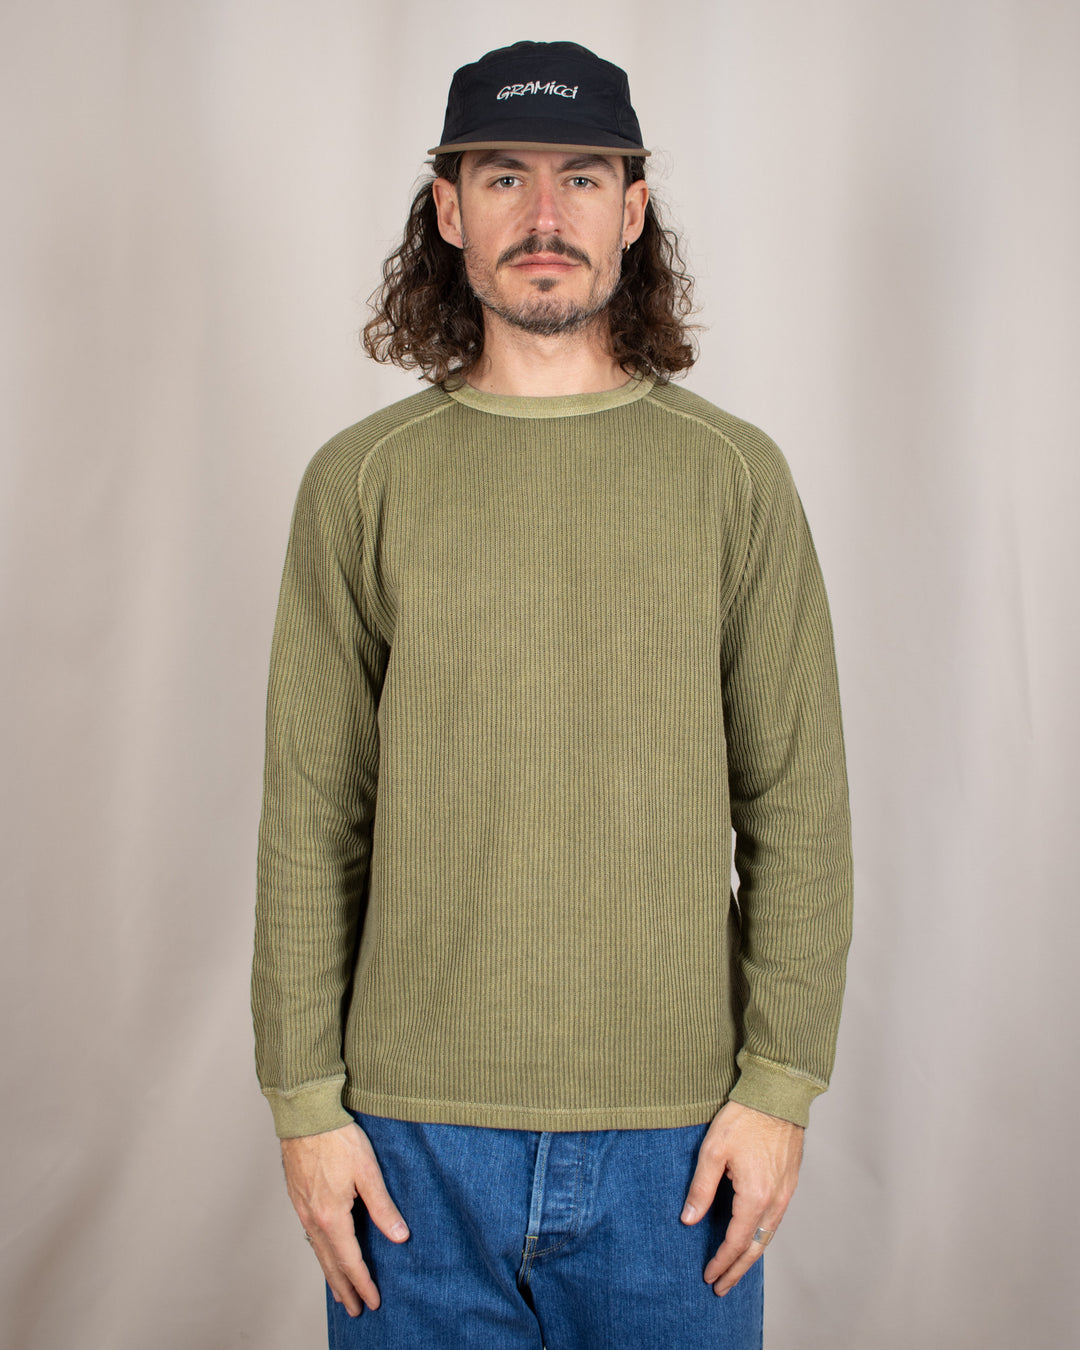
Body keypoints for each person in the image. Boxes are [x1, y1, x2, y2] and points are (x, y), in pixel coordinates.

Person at [253, 39, 853, 1349]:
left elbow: (797, 806)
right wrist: (304, 1104)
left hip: (675, 1148)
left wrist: (779, 1086)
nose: (544, 214)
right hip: (410, 1149)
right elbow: (312, 814)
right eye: (503, 176)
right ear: (448, 210)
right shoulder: (361, 483)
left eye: (581, 177)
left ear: (632, 210)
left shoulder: (733, 478)